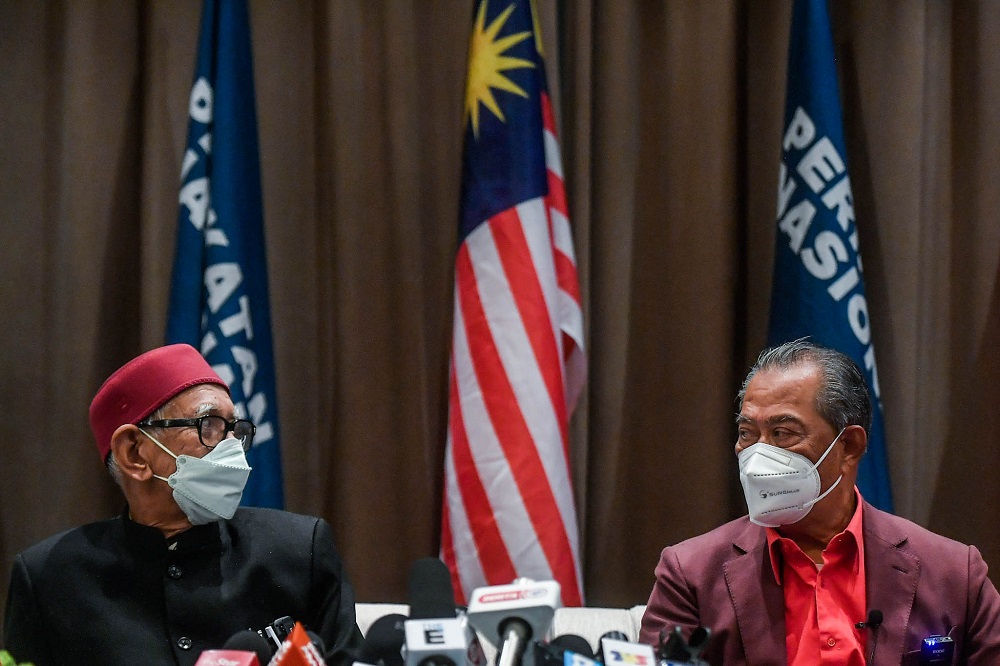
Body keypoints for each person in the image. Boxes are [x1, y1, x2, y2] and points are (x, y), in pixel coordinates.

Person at [640, 339, 1000, 664]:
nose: (757, 456)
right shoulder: (690, 574)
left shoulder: (954, 574)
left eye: (782, 433)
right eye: (747, 433)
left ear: (849, 446)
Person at [3, 344, 364, 665]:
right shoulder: (50, 576)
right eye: (209, 426)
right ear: (134, 454)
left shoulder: (300, 551)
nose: (232, 448)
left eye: (235, 429)